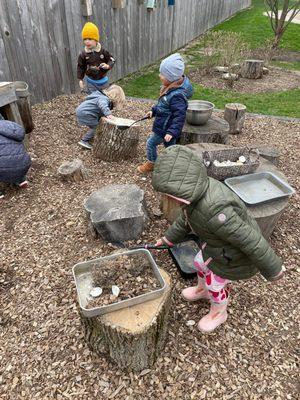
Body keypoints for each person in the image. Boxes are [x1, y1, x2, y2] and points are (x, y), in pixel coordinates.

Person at [153, 146, 284, 333]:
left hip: (231, 257)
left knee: (216, 284)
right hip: (214, 248)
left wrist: (273, 269)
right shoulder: (194, 196)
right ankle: (202, 290)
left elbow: (250, 239)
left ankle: (219, 311)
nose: (170, 200)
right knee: (199, 263)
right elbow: (186, 220)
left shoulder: (216, 210)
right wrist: (168, 239)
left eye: (171, 196)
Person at [137, 53, 193, 174]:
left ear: (172, 77)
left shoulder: (177, 95)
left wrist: (172, 131)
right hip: (165, 127)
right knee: (170, 148)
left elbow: (180, 116)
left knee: (150, 143)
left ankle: (151, 163)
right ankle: (173, 165)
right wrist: (153, 111)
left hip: (165, 129)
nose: (159, 76)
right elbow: (163, 106)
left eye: (162, 74)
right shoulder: (169, 88)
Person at [76, 84, 125, 149]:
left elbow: (99, 110)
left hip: (83, 111)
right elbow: (103, 105)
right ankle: (84, 140)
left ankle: (94, 135)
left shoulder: (100, 96)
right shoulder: (104, 99)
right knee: (96, 127)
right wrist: (108, 114)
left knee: (98, 124)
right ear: (115, 98)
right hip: (86, 113)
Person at [77, 22, 115, 94]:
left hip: (103, 81)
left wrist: (108, 65)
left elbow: (112, 60)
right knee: (92, 98)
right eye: (85, 39)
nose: (87, 41)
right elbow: (80, 67)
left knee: (106, 97)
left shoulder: (103, 52)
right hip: (91, 83)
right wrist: (80, 79)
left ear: (96, 39)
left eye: (90, 39)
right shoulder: (83, 54)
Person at [0, 120, 31, 199]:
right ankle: (21, 181)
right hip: (24, 163)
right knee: (13, 158)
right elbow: (20, 132)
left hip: (3, 169)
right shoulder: (5, 125)